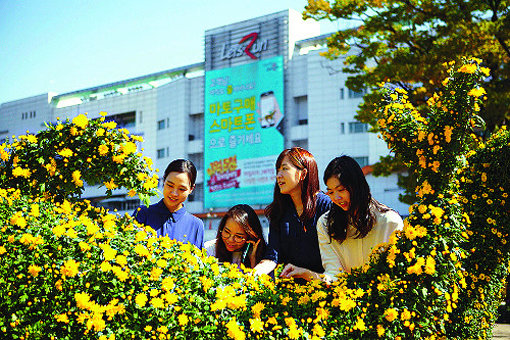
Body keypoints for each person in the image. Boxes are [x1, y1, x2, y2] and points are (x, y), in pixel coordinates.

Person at [317, 155, 404, 281]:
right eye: (330, 192)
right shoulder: (325, 224)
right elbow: (333, 273)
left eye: (341, 190)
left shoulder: (389, 221)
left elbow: (396, 273)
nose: (336, 197)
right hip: (344, 298)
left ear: (357, 185)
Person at [254, 147, 331, 282]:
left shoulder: (327, 207)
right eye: (277, 170)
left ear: (303, 173)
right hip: (290, 296)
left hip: (327, 291)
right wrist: (252, 275)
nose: (279, 175)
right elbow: (272, 257)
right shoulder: (279, 211)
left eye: (284, 169)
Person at [133, 159, 204, 249]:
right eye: (170, 185)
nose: (174, 193)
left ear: (191, 189)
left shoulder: (196, 225)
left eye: (181, 189)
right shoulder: (142, 214)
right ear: (163, 180)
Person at [205, 204, 267, 268]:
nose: (230, 240)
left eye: (238, 236)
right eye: (227, 232)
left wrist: (253, 259)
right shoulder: (209, 250)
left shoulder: (266, 257)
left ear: (250, 237)